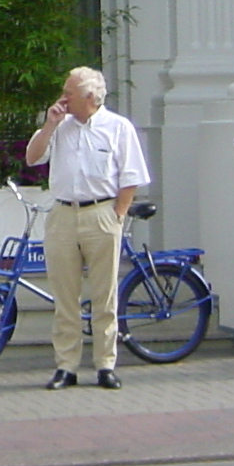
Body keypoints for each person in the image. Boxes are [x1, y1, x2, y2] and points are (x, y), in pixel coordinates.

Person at [24, 66, 151, 390]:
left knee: (103, 296)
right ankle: (66, 366)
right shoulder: (61, 126)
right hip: (64, 213)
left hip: (101, 213)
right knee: (65, 297)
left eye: (69, 92)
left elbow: (131, 176)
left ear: (90, 97)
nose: (63, 98)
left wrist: (117, 215)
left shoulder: (118, 127)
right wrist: (49, 125)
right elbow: (32, 158)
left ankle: (105, 364)